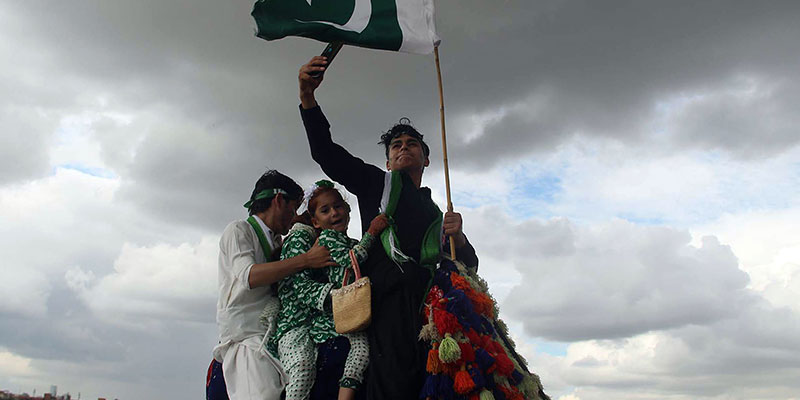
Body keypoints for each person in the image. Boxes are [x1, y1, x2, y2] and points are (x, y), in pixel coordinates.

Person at [296, 57, 480, 399]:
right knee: (392, 385)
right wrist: (308, 98)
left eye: (412, 144)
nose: (403, 147)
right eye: (396, 145)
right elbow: (325, 152)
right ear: (388, 161)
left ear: (426, 159)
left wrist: (460, 237)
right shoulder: (376, 184)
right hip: (387, 300)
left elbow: (466, 268)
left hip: (428, 307)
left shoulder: (437, 213)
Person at [211, 170, 338, 400]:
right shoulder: (239, 230)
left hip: (271, 335)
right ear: (279, 200)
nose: (294, 215)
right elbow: (249, 276)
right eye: (293, 207)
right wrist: (306, 260)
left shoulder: (277, 241)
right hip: (246, 338)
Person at [266, 180, 389, 400]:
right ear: (315, 221)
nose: (334, 213)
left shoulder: (348, 240)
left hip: (350, 314)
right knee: (303, 368)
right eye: (325, 210)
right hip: (327, 320)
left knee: (362, 354)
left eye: (338, 206)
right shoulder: (324, 239)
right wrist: (372, 234)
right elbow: (351, 261)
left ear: (347, 209)